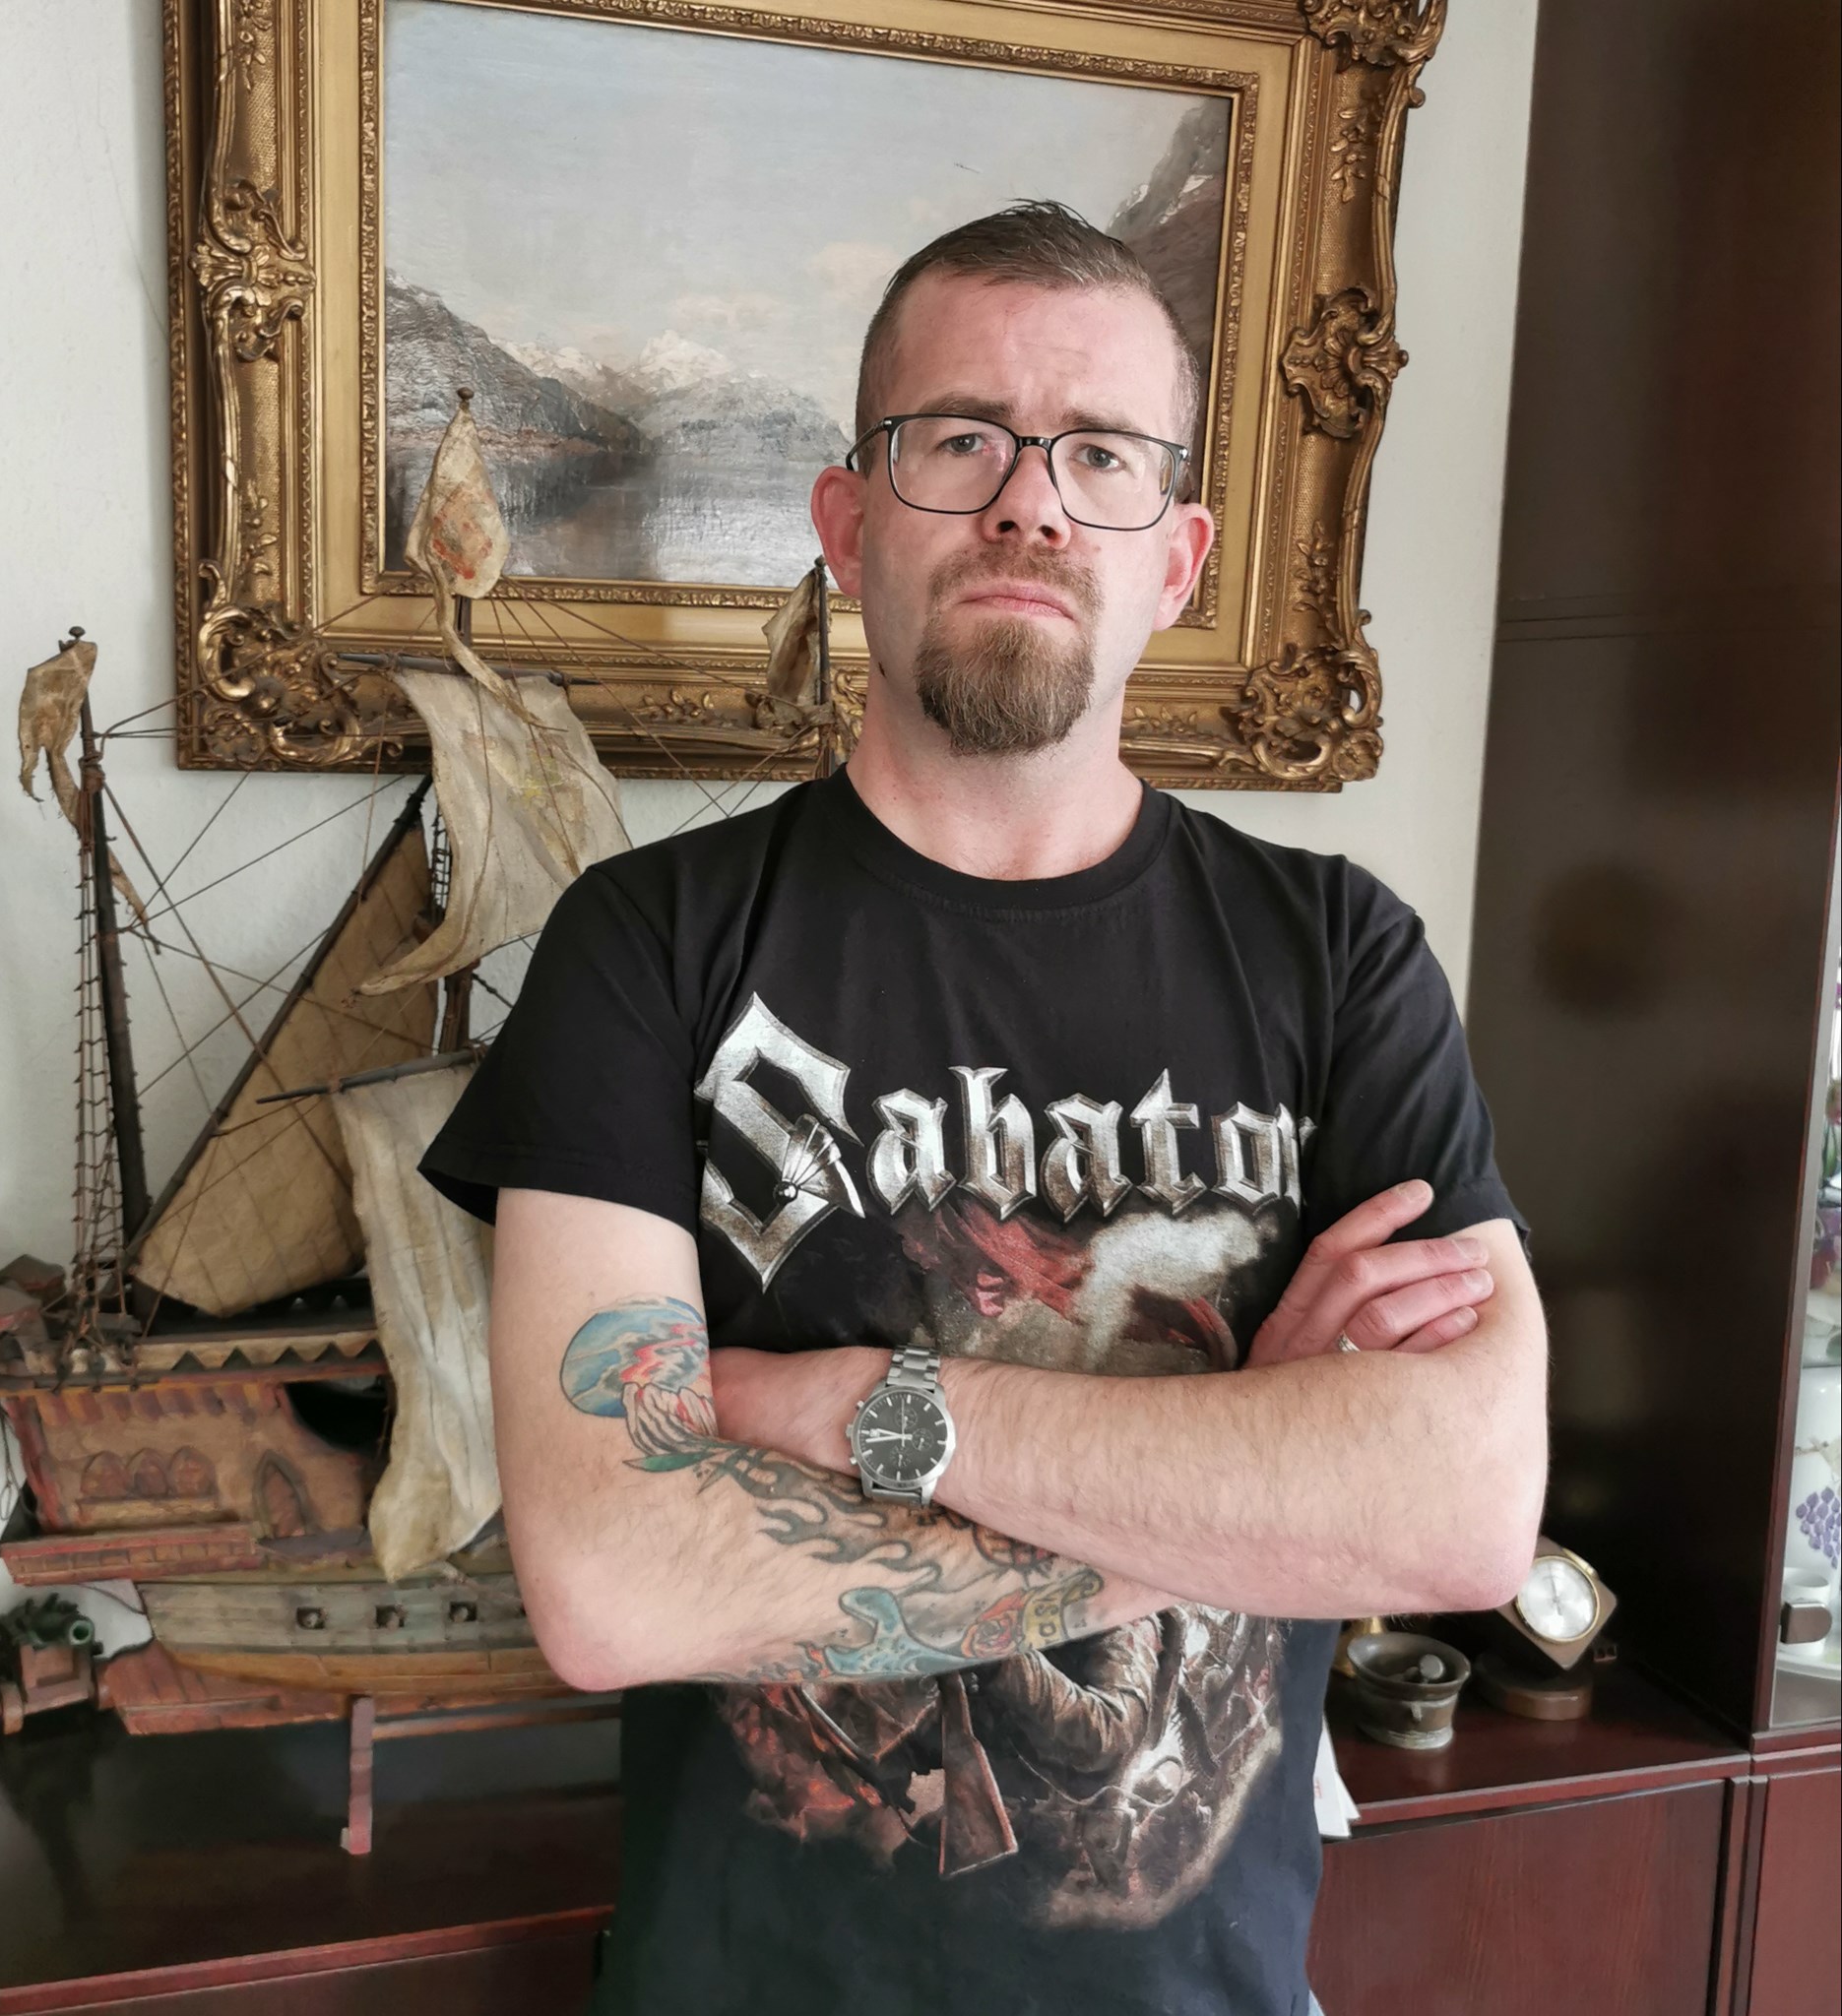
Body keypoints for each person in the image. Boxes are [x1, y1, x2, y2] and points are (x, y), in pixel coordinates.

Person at [420, 201, 1547, 2016]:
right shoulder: (650, 946)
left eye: (1100, 453)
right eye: (961, 439)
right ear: (848, 521)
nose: (1032, 503)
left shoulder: (1341, 959)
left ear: (1177, 559)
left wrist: (866, 1409)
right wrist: (1253, 1471)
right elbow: (613, 1583)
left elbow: (1466, 1509)